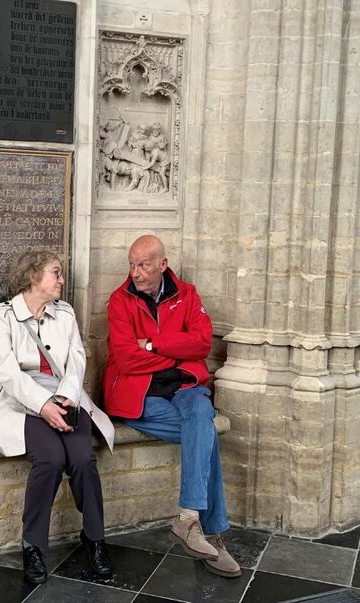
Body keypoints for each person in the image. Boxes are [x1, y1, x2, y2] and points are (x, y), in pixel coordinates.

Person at [102, 235, 241, 578]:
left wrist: (151, 343)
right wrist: (176, 354)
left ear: (162, 265)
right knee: (204, 432)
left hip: (184, 387)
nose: (135, 272)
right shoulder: (119, 301)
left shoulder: (188, 295)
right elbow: (126, 358)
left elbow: (202, 342)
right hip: (140, 394)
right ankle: (210, 534)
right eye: (132, 264)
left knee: (199, 415)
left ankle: (189, 519)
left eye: (144, 265)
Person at [0, 251, 115, 584]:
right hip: (20, 402)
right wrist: (43, 405)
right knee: (51, 459)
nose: (62, 280)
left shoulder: (65, 314)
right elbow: (6, 371)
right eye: (56, 273)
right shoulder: (3, 316)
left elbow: (77, 360)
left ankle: (94, 539)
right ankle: (33, 546)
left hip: (65, 397)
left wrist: (65, 399)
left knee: (83, 459)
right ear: (32, 276)